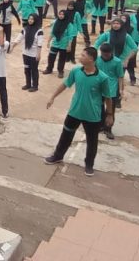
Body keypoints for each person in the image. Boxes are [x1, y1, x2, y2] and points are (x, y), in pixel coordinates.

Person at [43, 47, 116, 177]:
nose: (80, 57)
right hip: (74, 112)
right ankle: (58, 156)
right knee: (66, 136)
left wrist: (109, 115)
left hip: (92, 115)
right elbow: (65, 84)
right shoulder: (76, 71)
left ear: (91, 59)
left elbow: (108, 98)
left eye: (83, 55)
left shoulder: (102, 78)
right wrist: (53, 97)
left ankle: (89, 164)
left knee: (92, 141)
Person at [94, 17, 137, 89]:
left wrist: (127, 59)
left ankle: (118, 93)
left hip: (121, 61)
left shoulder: (126, 36)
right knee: (106, 78)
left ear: (121, 25)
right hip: (108, 60)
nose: (115, 25)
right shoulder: (107, 34)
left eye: (117, 23)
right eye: (113, 23)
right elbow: (97, 43)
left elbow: (135, 48)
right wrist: (94, 53)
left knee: (118, 80)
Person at [95, 43, 124, 140]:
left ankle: (108, 129)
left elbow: (120, 76)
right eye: (103, 54)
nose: (105, 56)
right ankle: (101, 126)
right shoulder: (97, 60)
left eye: (107, 54)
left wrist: (121, 89)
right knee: (99, 108)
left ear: (111, 52)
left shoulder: (117, 62)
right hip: (99, 88)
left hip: (112, 89)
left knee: (110, 110)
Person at [42, 9, 77, 78]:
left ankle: (60, 71)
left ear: (65, 15)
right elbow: (52, 32)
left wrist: (69, 45)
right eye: (60, 14)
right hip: (55, 43)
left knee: (62, 58)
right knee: (51, 57)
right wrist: (48, 41)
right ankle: (49, 69)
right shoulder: (56, 22)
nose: (61, 16)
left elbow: (70, 36)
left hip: (64, 44)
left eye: (62, 14)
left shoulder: (69, 24)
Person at [16, 14, 44, 92]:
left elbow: (40, 44)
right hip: (25, 54)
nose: (30, 20)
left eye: (32, 19)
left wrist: (38, 54)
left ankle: (35, 86)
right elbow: (19, 38)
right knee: (27, 69)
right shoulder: (25, 29)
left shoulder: (39, 31)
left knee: (34, 70)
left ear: (35, 20)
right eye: (29, 19)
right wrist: (13, 45)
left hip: (34, 55)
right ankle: (28, 84)